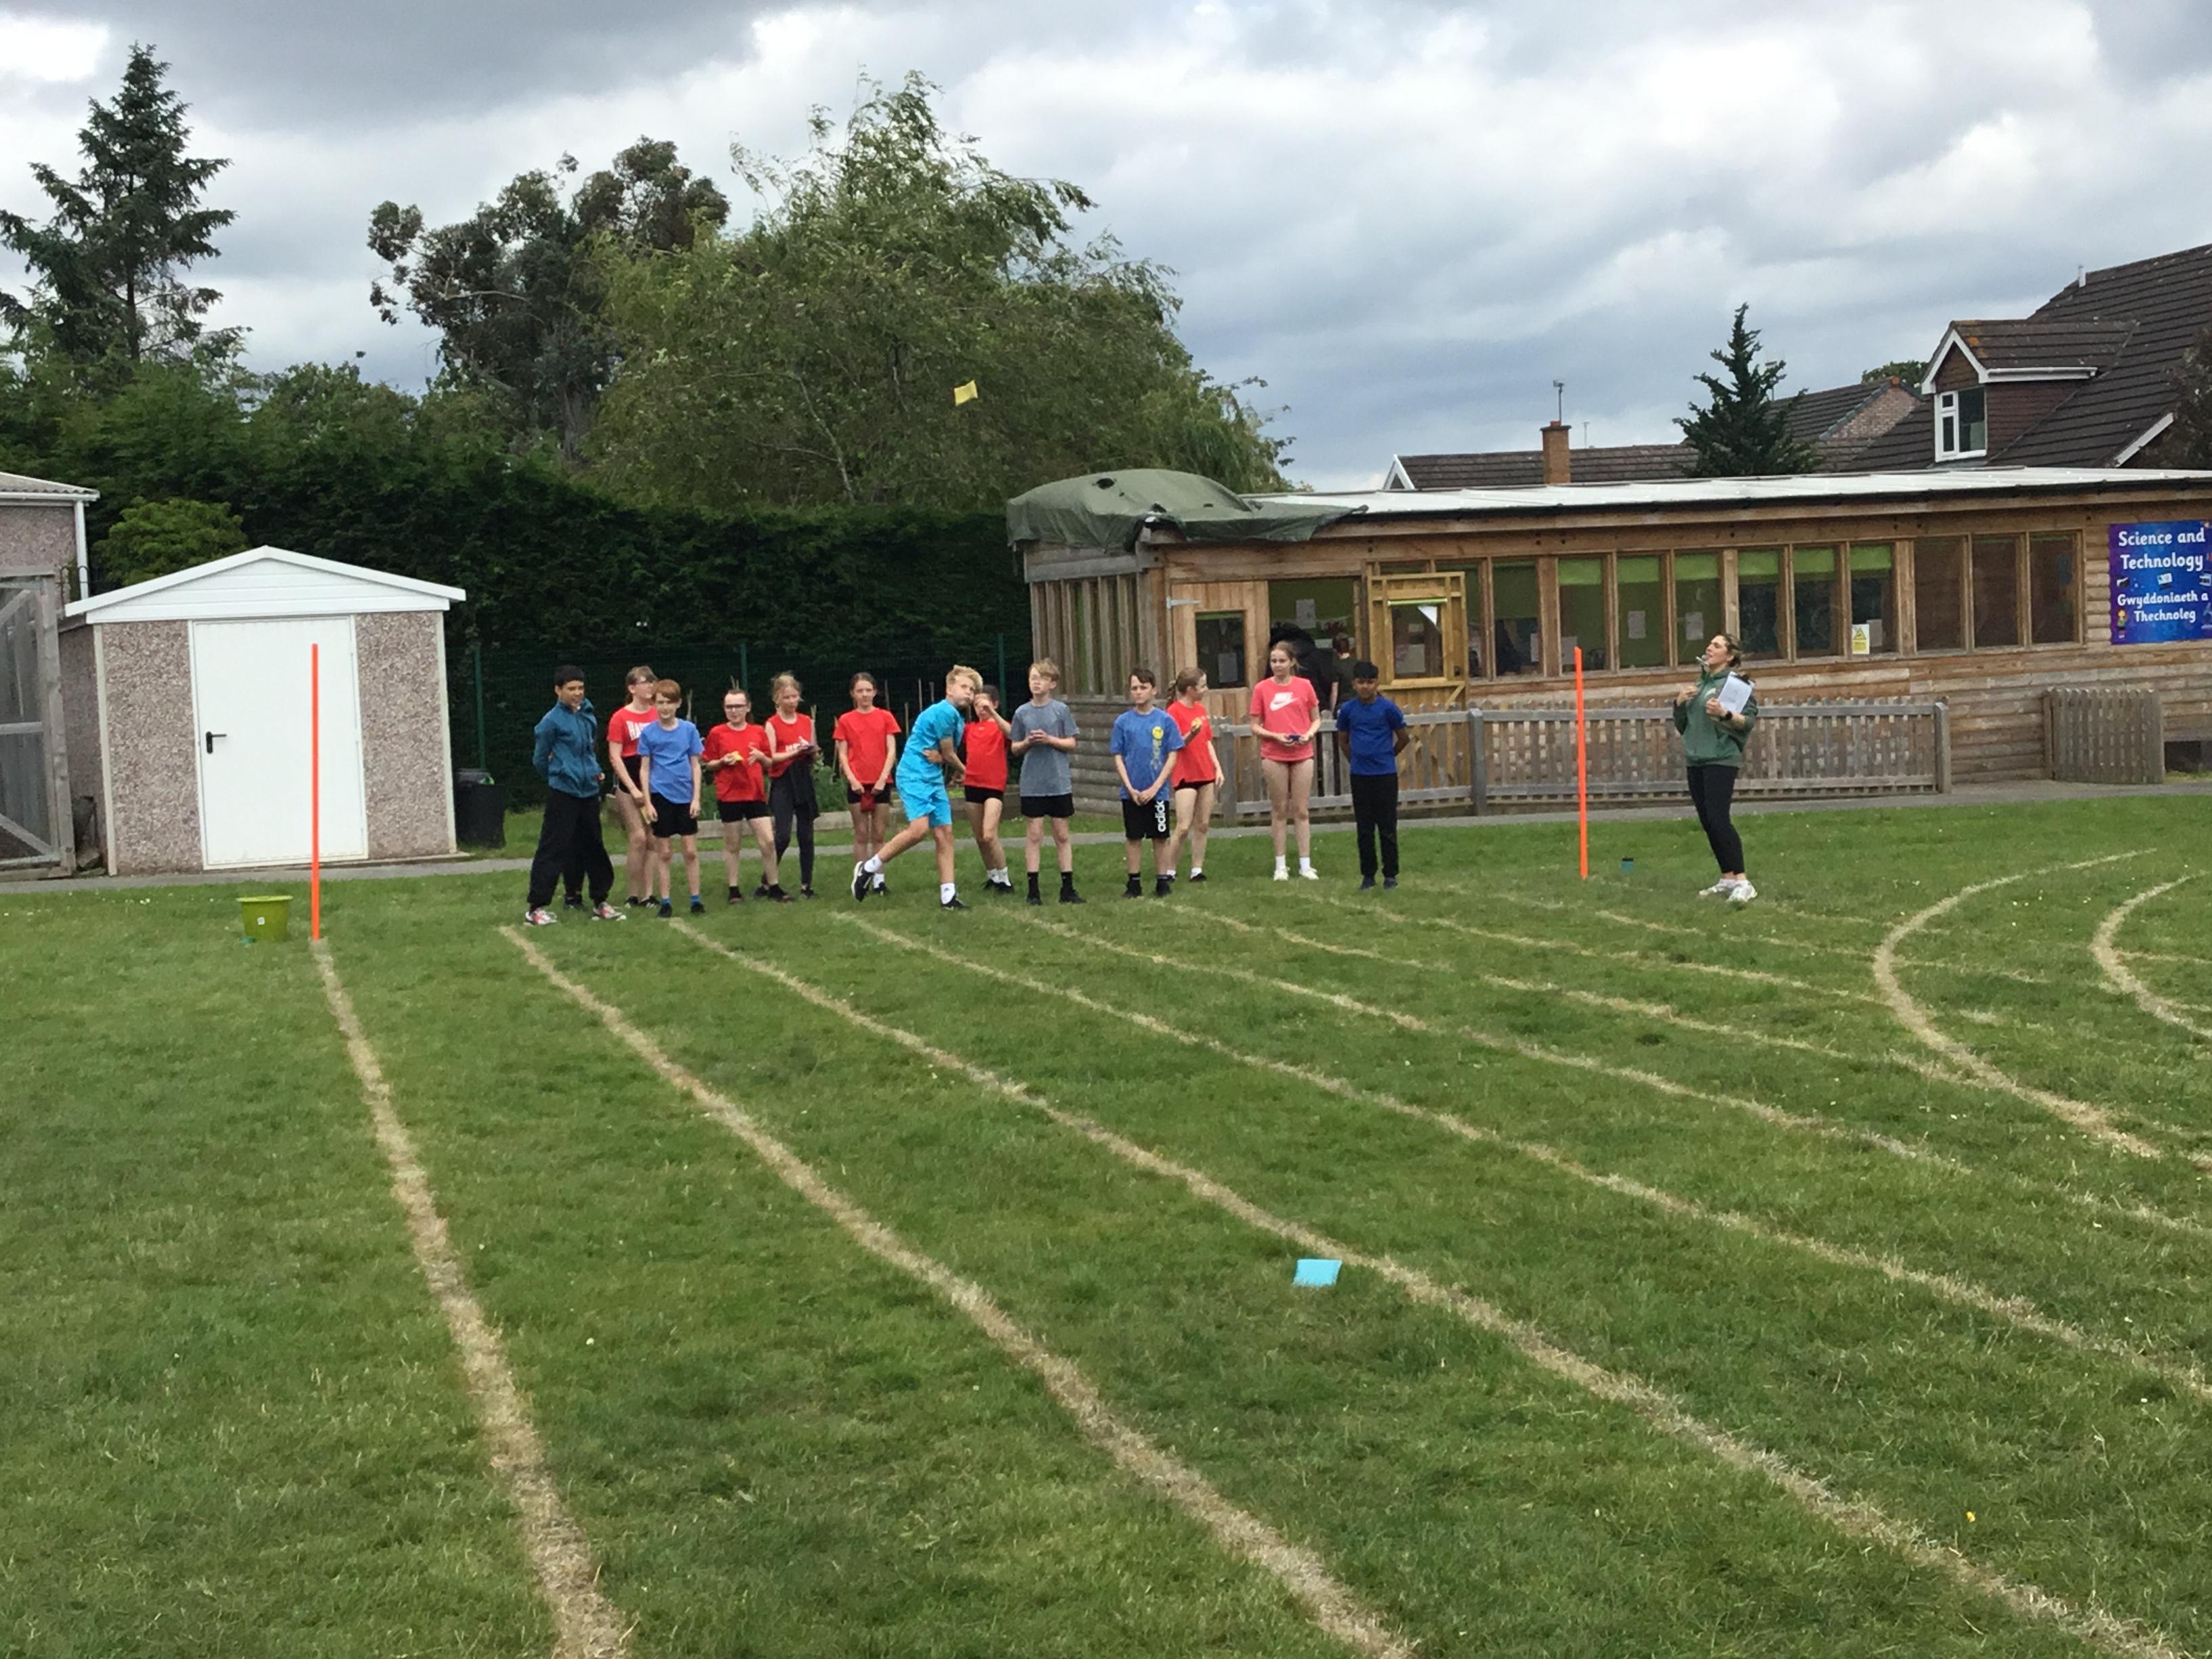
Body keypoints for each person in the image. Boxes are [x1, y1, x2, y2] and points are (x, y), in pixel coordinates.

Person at [851, 665, 980, 909]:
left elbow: (943, 754)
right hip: (914, 774)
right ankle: (868, 868)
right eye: (964, 687)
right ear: (949, 688)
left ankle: (948, 896)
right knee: (919, 829)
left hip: (932, 776)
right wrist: (968, 773)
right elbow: (949, 753)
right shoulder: (944, 711)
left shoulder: (957, 718)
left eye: (972, 690)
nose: (969, 693)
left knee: (944, 833)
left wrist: (944, 760)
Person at [523, 666, 621, 926]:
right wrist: (560, 775)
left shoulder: (588, 714)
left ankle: (600, 900)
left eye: (580, 688)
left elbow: (589, 750)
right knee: (553, 847)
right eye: (571, 689)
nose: (577, 693)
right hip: (563, 792)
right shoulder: (551, 721)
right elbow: (540, 759)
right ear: (558, 690)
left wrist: (594, 771)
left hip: (589, 791)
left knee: (593, 846)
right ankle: (537, 907)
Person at [1673, 631, 1761, 905]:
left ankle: (1743, 882)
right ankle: (1727, 878)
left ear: (1730, 656)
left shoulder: (1736, 685)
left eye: (1717, 645)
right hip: (1696, 758)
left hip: (1720, 758)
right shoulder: (1700, 684)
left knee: (1719, 819)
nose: (1709, 648)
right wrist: (1679, 703)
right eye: (1710, 644)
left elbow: (1747, 722)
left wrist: (1725, 713)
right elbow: (1683, 725)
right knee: (1707, 821)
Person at [1009, 659, 1083, 905]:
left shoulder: (1060, 710)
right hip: (1032, 782)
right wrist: (1028, 742)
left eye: (1041, 678)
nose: (1036, 683)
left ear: (1052, 684)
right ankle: (1033, 890)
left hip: (1058, 781)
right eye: (1033, 678)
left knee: (1062, 833)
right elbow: (1015, 747)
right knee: (1034, 834)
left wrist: (1050, 739)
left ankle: (1068, 888)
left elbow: (1071, 742)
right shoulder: (1022, 713)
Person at [1249, 640, 1322, 880]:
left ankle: (1305, 864)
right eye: (1274, 661)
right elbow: (1255, 725)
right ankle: (1280, 865)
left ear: (1292, 662)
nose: (1278, 665)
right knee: (1279, 809)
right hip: (1274, 754)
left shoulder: (1305, 686)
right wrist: (1275, 736)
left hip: (1302, 753)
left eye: (1282, 661)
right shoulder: (1262, 689)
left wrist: (1308, 734)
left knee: (1301, 810)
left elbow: (1316, 719)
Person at [1334, 659, 1410, 890]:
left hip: (1385, 774)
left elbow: (1403, 737)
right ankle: (1368, 875)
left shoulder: (1388, 709)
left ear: (1377, 683)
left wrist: (1388, 755)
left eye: (1370, 682)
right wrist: (1355, 759)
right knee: (1364, 828)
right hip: (1360, 775)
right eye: (1361, 682)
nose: (1365, 687)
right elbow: (1343, 740)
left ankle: (1390, 874)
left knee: (1387, 826)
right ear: (1354, 684)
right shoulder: (1348, 710)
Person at [1111, 669, 1185, 898]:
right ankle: (1134, 882)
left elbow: (1172, 755)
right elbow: (1118, 756)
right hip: (1131, 792)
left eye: (1143, 687)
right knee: (1133, 836)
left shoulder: (1165, 720)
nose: (1138, 692)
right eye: (1134, 688)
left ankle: (1162, 881)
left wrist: (1156, 788)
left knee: (1160, 836)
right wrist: (1130, 787)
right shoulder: (1123, 722)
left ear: (1154, 690)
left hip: (1158, 792)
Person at [635, 678, 706, 917]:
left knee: (690, 850)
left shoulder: (689, 730)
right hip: (660, 795)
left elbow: (695, 765)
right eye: (660, 702)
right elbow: (645, 769)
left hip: (685, 796)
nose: (665, 707)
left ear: (678, 704)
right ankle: (665, 901)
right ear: (654, 704)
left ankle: (696, 899)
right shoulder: (649, 733)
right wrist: (648, 802)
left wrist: (696, 798)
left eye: (669, 702)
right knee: (664, 851)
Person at [703, 687, 777, 903]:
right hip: (729, 794)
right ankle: (733, 889)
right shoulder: (717, 733)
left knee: (768, 841)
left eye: (738, 706)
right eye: (729, 707)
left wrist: (761, 757)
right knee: (733, 844)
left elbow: (770, 762)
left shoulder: (758, 731)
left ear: (748, 707)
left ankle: (774, 885)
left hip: (754, 793)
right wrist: (722, 761)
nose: (734, 711)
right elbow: (708, 763)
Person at [833, 672, 901, 876]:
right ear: (853, 694)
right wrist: (852, 780)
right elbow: (843, 754)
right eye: (860, 691)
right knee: (861, 833)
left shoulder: (885, 717)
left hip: (881, 781)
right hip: (857, 783)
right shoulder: (846, 720)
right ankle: (861, 877)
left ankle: (879, 879)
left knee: (879, 834)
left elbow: (891, 750)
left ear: (875, 692)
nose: (864, 695)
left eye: (868, 690)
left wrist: (883, 778)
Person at [604, 665, 659, 907]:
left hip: (654, 779)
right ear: (632, 688)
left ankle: (649, 894)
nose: (649, 686)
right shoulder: (621, 717)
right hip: (629, 780)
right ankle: (632, 895)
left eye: (651, 682)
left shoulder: (657, 714)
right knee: (638, 838)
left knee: (653, 838)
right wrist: (633, 789)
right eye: (644, 682)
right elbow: (615, 756)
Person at [763, 673, 821, 898]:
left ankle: (807, 884)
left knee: (806, 835)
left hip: (803, 777)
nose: (791, 701)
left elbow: (814, 750)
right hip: (783, 779)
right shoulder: (772, 724)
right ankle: (768, 879)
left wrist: (812, 753)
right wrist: (794, 753)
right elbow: (770, 756)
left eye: (795, 697)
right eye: (786, 697)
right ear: (777, 698)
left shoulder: (807, 721)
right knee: (783, 835)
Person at [1163, 668, 1220, 882]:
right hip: (1186, 773)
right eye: (1202, 686)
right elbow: (1175, 744)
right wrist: (1190, 735)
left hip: (1205, 771)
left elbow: (1207, 741)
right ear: (1190, 689)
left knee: (1203, 824)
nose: (1206, 689)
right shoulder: (1174, 712)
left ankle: (1197, 869)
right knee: (1184, 826)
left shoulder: (1201, 709)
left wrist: (1217, 767)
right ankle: (1169, 870)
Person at [962, 684, 1017, 895]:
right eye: (977, 704)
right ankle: (992, 876)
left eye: (984, 704)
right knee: (979, 837)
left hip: (993, 786)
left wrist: (992, 713)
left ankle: (1005, 879)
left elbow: (1013, 734)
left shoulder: (1001, 727)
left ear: (995, 704)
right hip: (972, 784)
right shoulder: (970, 729)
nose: (980, 708)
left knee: (989, 834)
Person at [1329, 632, 1359, 710]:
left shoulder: (1336, 667)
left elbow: (1335, 691)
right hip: (1359, 703)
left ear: (1335, 650)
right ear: (1349, 648)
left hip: (1344, 704)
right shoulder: (1358, 664)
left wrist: (1332, 709)